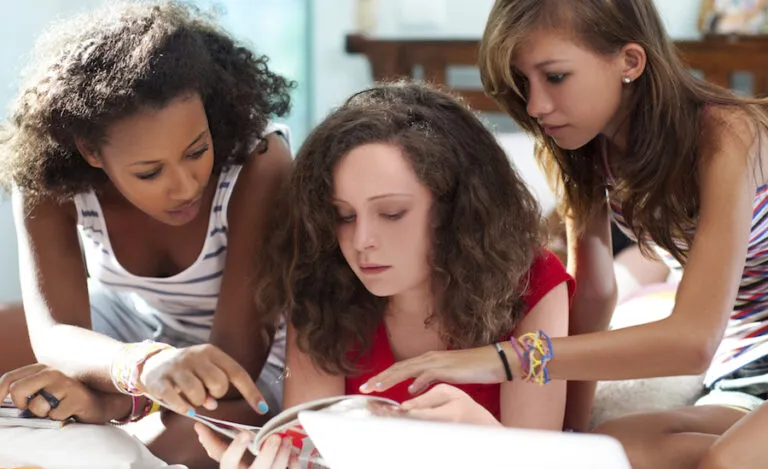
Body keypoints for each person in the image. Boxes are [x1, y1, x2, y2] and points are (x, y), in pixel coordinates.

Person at [353, 1, 768, 467]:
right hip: (748, 373)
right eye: (523, 81)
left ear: (630, 61)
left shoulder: (730, 134)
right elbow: (593, 294)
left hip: (726, 357)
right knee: (609, 451)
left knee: (727, 462)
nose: (535, 106)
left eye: (554, 77)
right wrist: (568, 436)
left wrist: (500, 357)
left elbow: (693, 341)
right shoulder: (586, 152)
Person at [196, 81, 574, 468]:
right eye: (343, 215)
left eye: (391, 213)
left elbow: (537, 460)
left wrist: (488, 444)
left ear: (454, 209)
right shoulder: (322, 287)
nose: (362, 241)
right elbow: (311, 454)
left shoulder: (533, 284)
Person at [0, 1, 293, 466]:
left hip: (246, 363)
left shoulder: (258, 162)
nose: (185, 185)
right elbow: (55, 333)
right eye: (150, 172)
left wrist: (115, 401)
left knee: (174, 444)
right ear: (90, 151)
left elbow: (234, 358)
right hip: (135, 329)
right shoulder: (48, 178)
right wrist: (143, 365)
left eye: (197, 150)